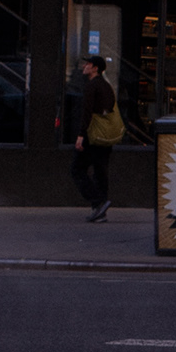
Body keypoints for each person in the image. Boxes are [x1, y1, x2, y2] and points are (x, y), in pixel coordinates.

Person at [72, 49, 117, 222]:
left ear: (95, 68)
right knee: (100, 172)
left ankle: (98, 202)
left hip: (92, 135)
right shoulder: (107, 86)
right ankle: (100, 212)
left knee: (77, 169)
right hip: (105, 136)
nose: (85, 66)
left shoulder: (92, 86)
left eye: (88, 64)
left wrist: (81, 135)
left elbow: (87, 112)